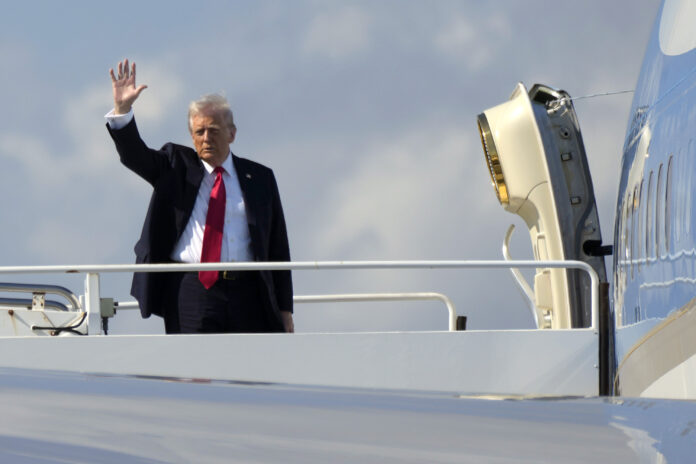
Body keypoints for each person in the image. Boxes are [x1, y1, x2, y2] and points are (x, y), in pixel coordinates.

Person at [105, 59, 293, 334]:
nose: (206, 138)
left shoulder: (260, 178)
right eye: (199, 131)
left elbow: (278, 249)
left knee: (250, 372)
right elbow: (135, 156)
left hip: (249, 292)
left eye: (214, 131)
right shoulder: (175, 165)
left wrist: (285, 311)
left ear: (232, 134)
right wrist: (123, 110)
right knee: (193, 374)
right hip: (192, 290)